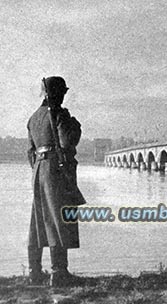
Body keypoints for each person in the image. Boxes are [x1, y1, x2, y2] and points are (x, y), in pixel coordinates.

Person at [27, 76, 86, 287]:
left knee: (38, 221)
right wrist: (75, 126)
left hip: (38, 172)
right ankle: (59, 272)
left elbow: (30, 152)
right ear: (57, 93)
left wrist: (39, 170)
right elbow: (66, 142)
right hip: (55, 171)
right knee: (57, 218)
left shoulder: (33, 118)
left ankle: (34, 271)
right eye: (62, 92)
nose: (64, 96)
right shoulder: (59, 114)